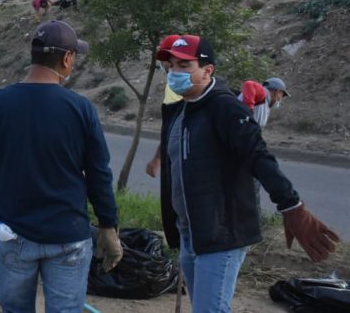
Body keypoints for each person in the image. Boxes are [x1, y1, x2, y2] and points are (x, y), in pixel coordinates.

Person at [156, 35, 339, 312]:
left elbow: (258, 154)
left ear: (207, 70)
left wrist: (291, 205)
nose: (174, 73)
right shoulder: (181, 110)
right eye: (171, 66)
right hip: (190, 233)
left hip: (222, 234)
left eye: (184, 65)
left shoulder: (225, 107)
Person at [0, 20, 122, 313]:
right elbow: (99, 174)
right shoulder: (80, 108)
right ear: (67, 58)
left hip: (14, 235)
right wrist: (108, 226)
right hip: (68, 236)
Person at [145, 34, 185, 178]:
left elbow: (173, 128)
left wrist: (157, 158)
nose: (162, 64)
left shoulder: (175, 87)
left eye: (165, 60)